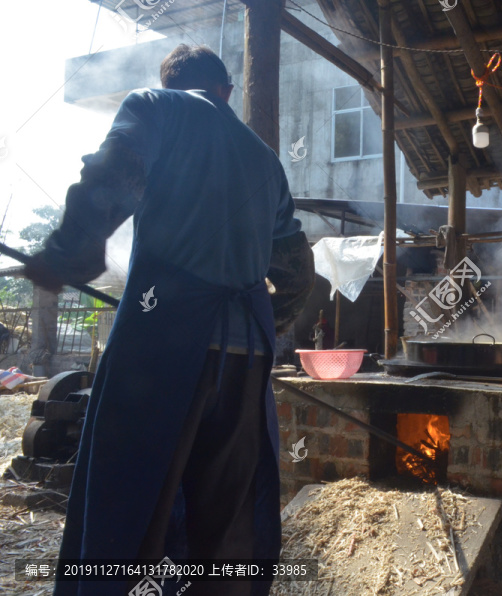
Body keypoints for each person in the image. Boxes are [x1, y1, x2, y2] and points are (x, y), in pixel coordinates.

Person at [25, 44, 314, 596]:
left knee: (128, 504)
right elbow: (298, 272)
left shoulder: (155, 105)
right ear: (226, 91)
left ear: (176, 82)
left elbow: (114, 177)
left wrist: (67, 254)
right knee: (226, 525)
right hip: (245, 363)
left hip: (162, 351)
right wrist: (263, 323)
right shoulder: (265, 158)